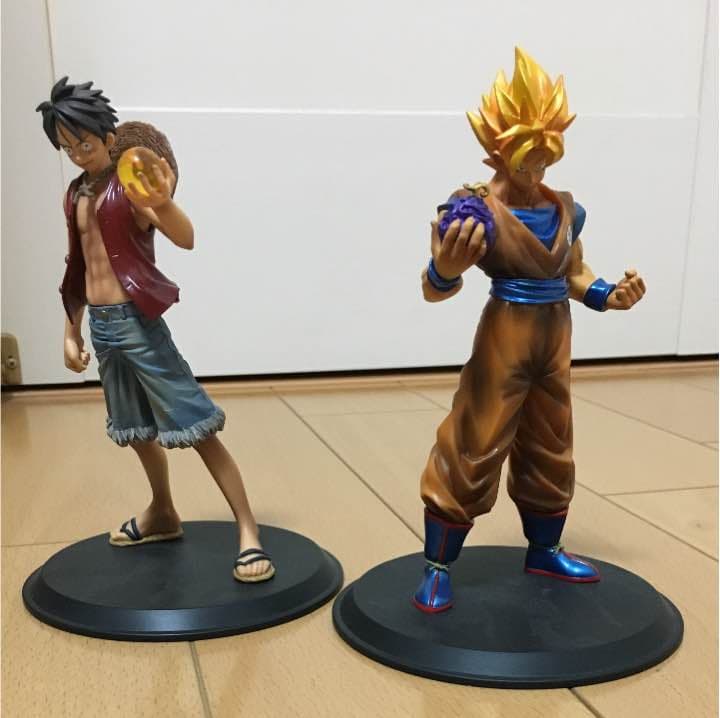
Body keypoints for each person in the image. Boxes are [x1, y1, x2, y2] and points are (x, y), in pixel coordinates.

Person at [413, 49, 646, 613]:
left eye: (546, 157)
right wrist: (446, 268)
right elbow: (433, 286)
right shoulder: (474, 208)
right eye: (527, 160)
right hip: (505, 335)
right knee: (474, 439)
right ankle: (438, 566)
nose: (538, 171)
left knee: (551, 443)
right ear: (498, 149)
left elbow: (573, 271)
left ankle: (545, 549)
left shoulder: (565, 210)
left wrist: (608, 294)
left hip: (554, 336)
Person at [37, 76, 274, 582]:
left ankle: (248, 529)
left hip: (138, 325)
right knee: (135, 429)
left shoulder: (131, 187)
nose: (77, 155)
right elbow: (77, 266)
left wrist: (163, 203)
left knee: (196, 424)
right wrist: (70, 329)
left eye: (85, 144)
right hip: (102, 329)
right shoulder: (74, 195)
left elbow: (186, 238)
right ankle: (163, 511)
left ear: (107, 137)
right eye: (67, 147)